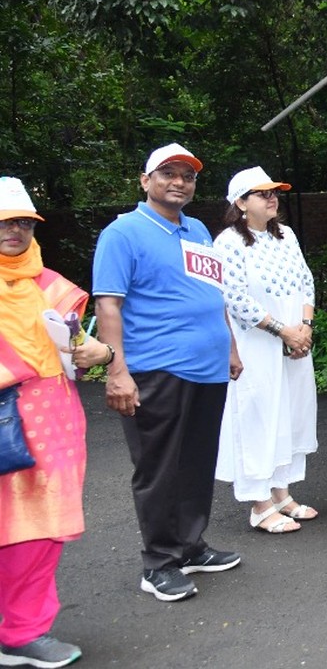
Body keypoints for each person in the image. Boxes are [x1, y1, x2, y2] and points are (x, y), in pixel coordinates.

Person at [93, 143, 243, 601]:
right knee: (159, 468)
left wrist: (231, 346)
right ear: (145, 181)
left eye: (188, 176)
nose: (179, 182)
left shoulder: (197, 229)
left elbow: (212, 296)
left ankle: (190, 545)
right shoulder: (123, 233)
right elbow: (108, 305)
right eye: (167, 173)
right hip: (156, 369)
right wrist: (117, 371)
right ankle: (158, 564)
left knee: (196, 463)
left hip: (208, 368)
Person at [0, 177, 105, 667]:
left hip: (53, 418)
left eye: (22, 222)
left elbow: (80, 351)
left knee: (42, 528)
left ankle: (23, 630)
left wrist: (96, 353)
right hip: (7, 413)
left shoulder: (52, 286)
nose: (14, 230)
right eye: (4, 222)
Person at [213, 167, 318, 535]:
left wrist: (305, 328)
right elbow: (234, 298)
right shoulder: (228, 242)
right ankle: (259, 503)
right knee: (258, 415)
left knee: (290, 413)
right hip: (256, 343)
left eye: (274, 192)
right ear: (241, 202)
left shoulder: (285, 235)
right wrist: (283, 330)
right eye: (262, 193)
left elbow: (306, 281)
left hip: (294, 342)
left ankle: (282, 493)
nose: (272, 198)